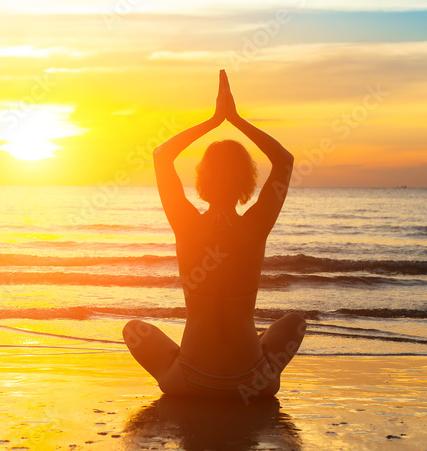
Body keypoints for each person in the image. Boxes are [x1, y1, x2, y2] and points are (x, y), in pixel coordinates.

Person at [123, 70, 307, 402]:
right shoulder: (256, 225)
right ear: (247, 183)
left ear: (202, 180)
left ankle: (175, 366)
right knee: (294, 322)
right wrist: (235, 119)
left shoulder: (186, 224)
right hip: (250, 382)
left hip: (191, 381)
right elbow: (284, 160)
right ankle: (255, 358)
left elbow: (162, 156)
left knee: (133, 330)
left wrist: (213, 120)